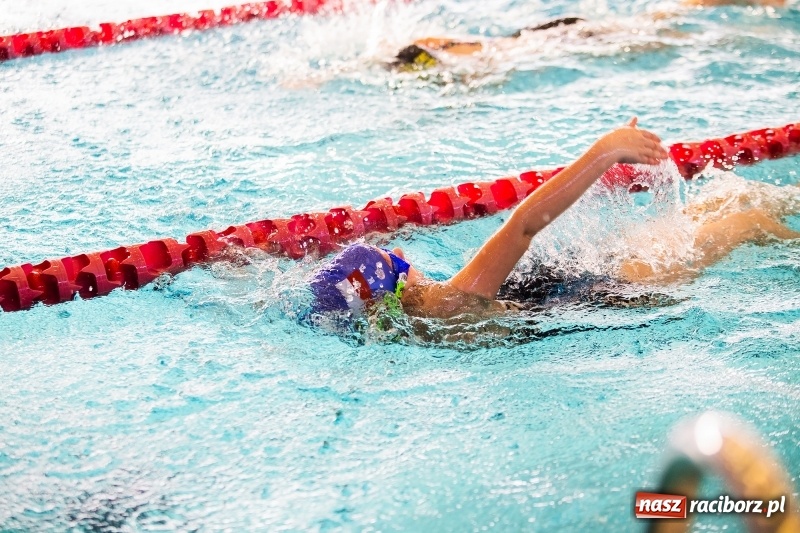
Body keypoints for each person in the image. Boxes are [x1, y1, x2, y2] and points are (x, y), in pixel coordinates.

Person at [309, 118, 800, 321]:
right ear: (394, 278)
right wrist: (603, 153)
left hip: (588, 282)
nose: (401, 253)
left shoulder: (439, 320)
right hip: (619, 284)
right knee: (748, 220)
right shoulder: (458, 296)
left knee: (721, 210)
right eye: (393, 258)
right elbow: (522, 225)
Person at [391, 0, 787, 72]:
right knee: (653, 22)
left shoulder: (480, 57)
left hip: (564, 38)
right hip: (551, 30)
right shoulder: (461, 45)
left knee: (656, 31)